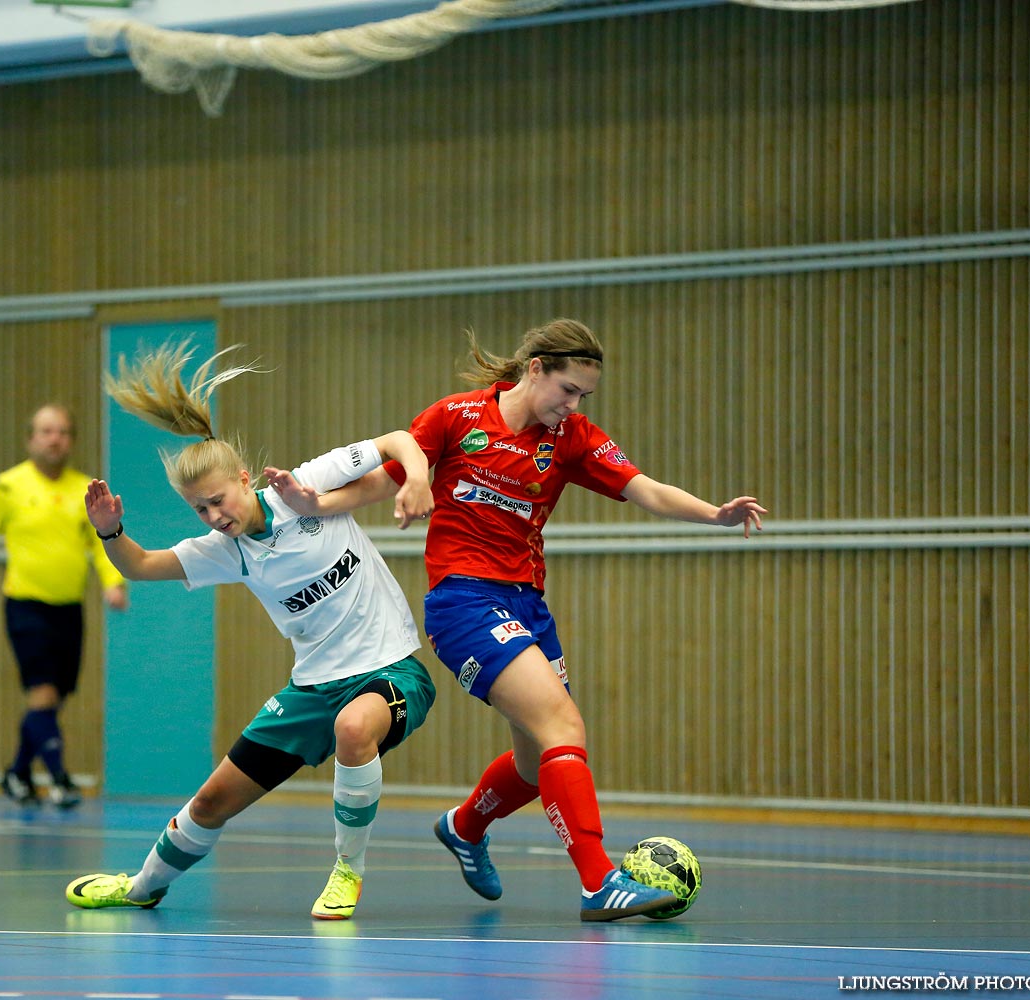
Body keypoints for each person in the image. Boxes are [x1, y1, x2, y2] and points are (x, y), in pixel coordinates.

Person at [268, 318, 766, 922]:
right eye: (568, 390)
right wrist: (313, 504)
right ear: (536, 370)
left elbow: (645, 489)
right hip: (464, 602)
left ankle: (464, 826)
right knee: (564, 727)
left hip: (528, 604)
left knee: (535, 766)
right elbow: (382, 481)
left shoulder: (573, 437)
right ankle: (598, 882)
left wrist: (714, 514)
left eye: (584, 396)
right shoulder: (457, 417)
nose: (573, 405)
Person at [62, 342, 436, 920]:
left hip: (391, 670)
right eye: (199, 511)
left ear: (243, 479)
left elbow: (397, 440)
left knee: (354, 726)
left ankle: (348, 870)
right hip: (312, 687)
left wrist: (416, 478)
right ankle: (142, 886)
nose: (214, 517)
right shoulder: (226, 551)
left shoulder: (306, 486)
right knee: (212, 799)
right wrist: (111, 533)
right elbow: (142, 566)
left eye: (218, 501)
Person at [0, 404, 129, 809]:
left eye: (63, 432)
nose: (55, 439)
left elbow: (100, 543)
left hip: (70, 608)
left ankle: (17, 773)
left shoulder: (85, 489)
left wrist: (113, 581)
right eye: (47, 431)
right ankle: (61, 780)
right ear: (31, 438)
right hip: (26, 605)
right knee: (43, 692)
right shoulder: (8, 487)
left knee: (54, 698)